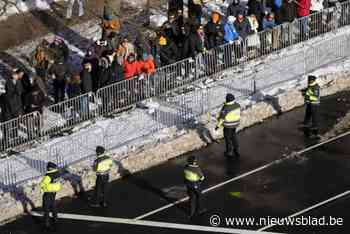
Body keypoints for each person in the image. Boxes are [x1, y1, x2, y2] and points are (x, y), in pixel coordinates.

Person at [215, 93, 241, 158]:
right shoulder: (237, 105)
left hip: (228, 126)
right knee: (233, 136)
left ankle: (229, 152)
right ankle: (236, 149)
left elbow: (222, 118)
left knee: (228, 138)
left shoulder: (226, 108)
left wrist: (218, 126)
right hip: (235, 124)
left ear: (227, 99)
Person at [40, 162, 61, 229]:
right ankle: (55, 219)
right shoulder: (57, 173)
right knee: (53, 205)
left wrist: (42, 187)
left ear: (49, 168)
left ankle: (47, 223)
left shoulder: (48, 176)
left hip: (48, 193)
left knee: (46, 208)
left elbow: (42, 184)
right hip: (54, 192)